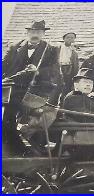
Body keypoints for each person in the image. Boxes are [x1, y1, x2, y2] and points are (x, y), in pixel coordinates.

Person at [2, 20, 62, 156]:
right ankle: (16, 149)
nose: (35, 35)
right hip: (13, 91)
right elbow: (3, 66)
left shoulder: (51, 49)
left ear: (43, 34)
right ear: (27, 33)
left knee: (33, 122)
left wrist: (39, 71)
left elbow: (55, 72)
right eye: (33, 32)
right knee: (6, 120)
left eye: (39, 32)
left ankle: (30, 150)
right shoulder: (15, 47)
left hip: (37, 92)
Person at [57, 32, 79, 103]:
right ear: (64, 39)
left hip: (69, 71)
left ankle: (65, 102)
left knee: (67, 87)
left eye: (72, 38)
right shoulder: (58, 48)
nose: (70, 39)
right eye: (68, 37)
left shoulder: (74, 51)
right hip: (59, 69)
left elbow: (76, 64)